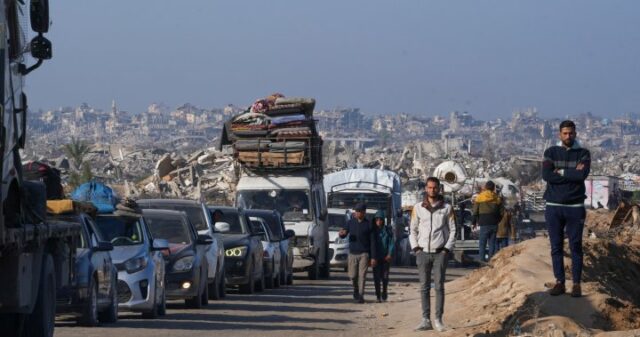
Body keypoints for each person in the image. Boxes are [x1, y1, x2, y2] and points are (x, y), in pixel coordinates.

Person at [542, 120, 590, 297]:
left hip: (575, 206)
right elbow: (546, 175)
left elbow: (582, 175)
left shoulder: (583, 153)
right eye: (565, 133)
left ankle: (576, 284)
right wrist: (571, 174)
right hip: (554, 206)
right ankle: (560, 282)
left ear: (575, 133)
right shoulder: (551, 152)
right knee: (556, 246)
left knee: (575, 245)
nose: (568, 136)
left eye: (571, 133)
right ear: (559, 134)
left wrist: (560, 172)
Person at [410, 177, 456, 332]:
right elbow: (413, 230)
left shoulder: (447, 208)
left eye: (435, 188)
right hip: (422, 253)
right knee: (424, 287)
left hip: (439, 254)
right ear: (426, 189)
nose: (432, 190)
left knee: (439, 287)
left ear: (439, 189)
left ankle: (438, 319)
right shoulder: (418, 207)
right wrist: (416, 248)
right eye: (429, 187)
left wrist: (446, 250)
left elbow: (453, 230)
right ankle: (425, 319)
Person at [339, 202, 377, 304]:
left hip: (364, 254)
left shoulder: (369, 224)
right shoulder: (350, 222)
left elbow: (373, 242)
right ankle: (355, 289)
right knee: (352, 276)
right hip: (352, 253)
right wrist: (341, 234)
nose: (357, 213)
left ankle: (361, 295)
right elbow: (344, 233)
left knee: (362, 275)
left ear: (364, 212)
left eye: (359, 211)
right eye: (356, 211)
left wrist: (373, 257)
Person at [472, 181, 504, 262]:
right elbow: (502, 212)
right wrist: (497, 221)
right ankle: (491, 260)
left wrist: (474, 222)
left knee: (482, 244)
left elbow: (475, 211)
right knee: (492, 243)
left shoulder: (480, 197)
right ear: (493, 188)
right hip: (494, 223)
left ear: (485, 187)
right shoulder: (497, 198)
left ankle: (482, 261)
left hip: (484, 223)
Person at [372, 210, 395, 303]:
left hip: (385, 258)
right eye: (376, 219)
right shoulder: (373, 231)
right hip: (376, 258)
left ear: (383, 220)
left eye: (380, 219)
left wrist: (390, 254)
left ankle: (384, 291)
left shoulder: (388, 231)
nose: (378, 221)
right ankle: (378, 296)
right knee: (376, 278)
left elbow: (391, 243)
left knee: (384, 277)